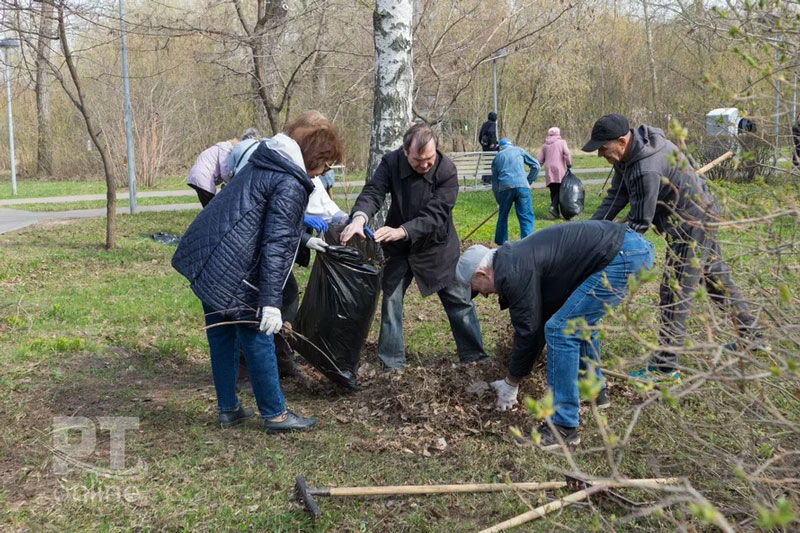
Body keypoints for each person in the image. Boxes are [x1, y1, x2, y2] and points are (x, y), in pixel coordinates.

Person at [172, 113, 344, 432]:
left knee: (222, 334)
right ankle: (275, 415)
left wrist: (305, 238)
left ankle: (228, 409)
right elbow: (275, 243)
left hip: (209, 254)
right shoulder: (291, 181)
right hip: (233, 264)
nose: (324, 172)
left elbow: (257, 214)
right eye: (325, 164)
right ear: (314, 158)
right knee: (258, 334)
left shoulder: (267, 156)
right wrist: (269, 302)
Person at [583, 113, 764, 382]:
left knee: (673, 291)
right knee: (715, 281)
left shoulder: (647, 167)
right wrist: (588, 233)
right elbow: (616, 196)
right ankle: (753, 337)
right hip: (693, 217)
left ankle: (666, 367)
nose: (600, 154)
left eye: (603, 148)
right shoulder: (628, 156)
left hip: (692, 224)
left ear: (621, 141)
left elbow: (638, 225)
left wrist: (603, 253)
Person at [455, 221, 654, 449]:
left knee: (560, 330)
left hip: (622, 257)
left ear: (481, 272)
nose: (485, 295)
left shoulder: (514, 271)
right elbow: (538, 319)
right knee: (574, 321)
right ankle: (593, 390)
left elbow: (529, 331)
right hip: (628, 249)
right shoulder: (514, 259)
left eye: (478, 288)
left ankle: (563, 427)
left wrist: (511, 383)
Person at [340, 123, 488, 371]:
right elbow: (374, 191)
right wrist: (359, 218)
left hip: (436, 248)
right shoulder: (391, 163)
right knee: (391, 300)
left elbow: (436, 215)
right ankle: (392, 363)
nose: (425, 165)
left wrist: (402, 231)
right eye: (418, 160)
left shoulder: (447, 170)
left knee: (459, 301)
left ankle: (475, 357)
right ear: (405, 152)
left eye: (429, 158)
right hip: (398, 249)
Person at [490, 138, 539, 246]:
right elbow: (536, 166)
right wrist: (528, 182)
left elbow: (495, 183)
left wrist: (499, 201)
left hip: (505, 188)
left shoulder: (497, 157)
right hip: (522, 187)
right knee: (526, 216)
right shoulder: (520, 151)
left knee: (503, 216)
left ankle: (502, 244)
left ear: (501, 147)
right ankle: (527, 243)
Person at [186, 137, 237, 207]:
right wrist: (232, 182)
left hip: (196, 176)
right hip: (203, 178)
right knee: (211, 209)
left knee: (208, 207)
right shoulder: (226, 150)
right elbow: (224, 173)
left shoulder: (218, 148)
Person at [537, 127, 573, 219]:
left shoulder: (545, 145)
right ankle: (554, 207)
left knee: (553, 190)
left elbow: (540, 159)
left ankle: (556, 212)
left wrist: (537, 168)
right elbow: (567, 153)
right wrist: (569, 164)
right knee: (560, 189)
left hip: (549, 169)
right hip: (559, 168)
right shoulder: (561, 143)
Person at [479, 111, 499, 184]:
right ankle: (489, 179)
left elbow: (480, 136)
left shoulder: (485, 124)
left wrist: (483, 144)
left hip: (485, 147)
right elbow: (491, 132)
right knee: (491, 163)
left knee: (487, 163)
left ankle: (485, 178)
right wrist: (492, 143)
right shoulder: (492, 124)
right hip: (491, 147)